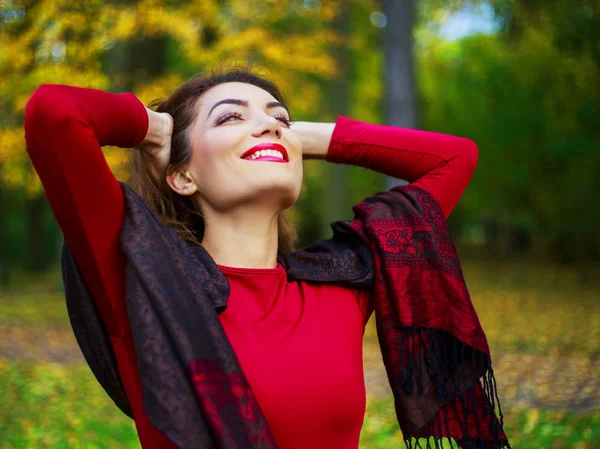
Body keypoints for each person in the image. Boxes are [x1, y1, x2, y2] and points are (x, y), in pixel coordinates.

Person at [24, 68, 490, 449]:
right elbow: (55, 113)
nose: (269, 125)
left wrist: (298, 137)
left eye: (280, 117)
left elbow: (455, 158)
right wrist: (159, 127)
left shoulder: (341, 280)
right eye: (229, 118)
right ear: (183, 177)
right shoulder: (141, 279)